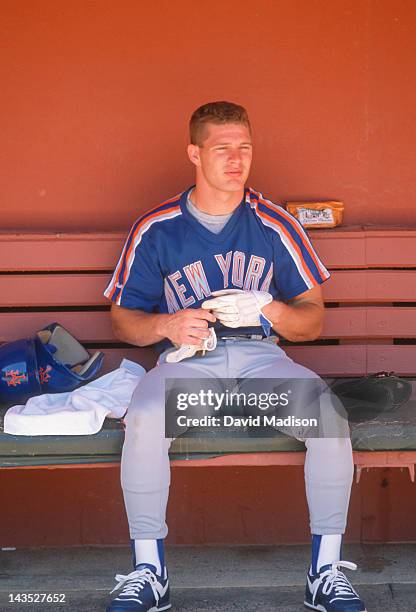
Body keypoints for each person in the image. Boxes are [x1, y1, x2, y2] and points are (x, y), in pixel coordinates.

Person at [104, 101, 366, 612]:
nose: (235, 159)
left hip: (261, 364)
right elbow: (123, 320)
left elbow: (312, 320)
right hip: (187, 365)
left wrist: (268, 306)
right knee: (146, 418)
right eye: (222, 148)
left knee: (330, 420)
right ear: (194, 154)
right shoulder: (156, 227)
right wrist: (166, 323)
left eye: (244, 148)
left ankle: (325, 571)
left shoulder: (273, 224)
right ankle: (149, 572)